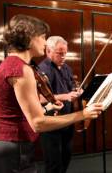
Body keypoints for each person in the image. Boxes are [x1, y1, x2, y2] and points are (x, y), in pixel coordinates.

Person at [0, 14, 103, 173]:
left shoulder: (12, 64)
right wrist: (82, 114)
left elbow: (17, 112)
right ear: (29, 37)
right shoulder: (21, 69)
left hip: (8, 146)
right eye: (42, 37)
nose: (44, 42)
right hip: (14, 148)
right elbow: (37, 123)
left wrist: (47, 108)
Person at [38, 36, 82, 173]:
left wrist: (76, 92)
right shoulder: (42, 69)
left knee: (66, 158)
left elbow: (70, 90)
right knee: (54, 164)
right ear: (48, 51)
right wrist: (66, 96)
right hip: (51, 121)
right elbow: (40, 98)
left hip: (67, 120)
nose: (63, 56)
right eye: (59, 53)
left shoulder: (66, 68)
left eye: (65, 53)